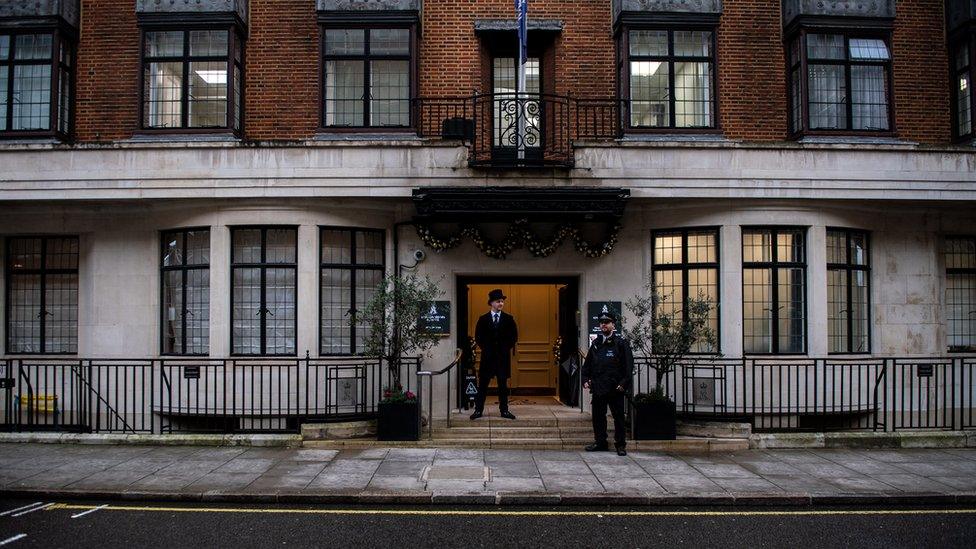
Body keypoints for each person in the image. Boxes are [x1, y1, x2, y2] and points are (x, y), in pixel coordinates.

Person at [582, 311, 633, 456]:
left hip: (615, 388)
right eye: (601, 323)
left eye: (607, 322)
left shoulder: (621, 344)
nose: (603, 325)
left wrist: (623, 384)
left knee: (618, 417)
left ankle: (620, 445)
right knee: (598, 417)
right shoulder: (596, 344)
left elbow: (628, 368)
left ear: (613, 325)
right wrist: (585, 380)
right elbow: (587, 366)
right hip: (599, 388)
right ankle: (600, 442)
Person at [471, 288, 518, 420]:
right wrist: (487, 348)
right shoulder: (483, 319)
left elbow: (514, 337)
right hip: (488, 358)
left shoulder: (509, 319)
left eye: (502, 301)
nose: (501, 304)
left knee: (503, 386)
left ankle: (504, 411)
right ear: (491, 303)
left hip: (503, 358)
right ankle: (478, 410)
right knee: (483, 385)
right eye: (498, 301)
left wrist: (504, 348)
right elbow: (478, 336)